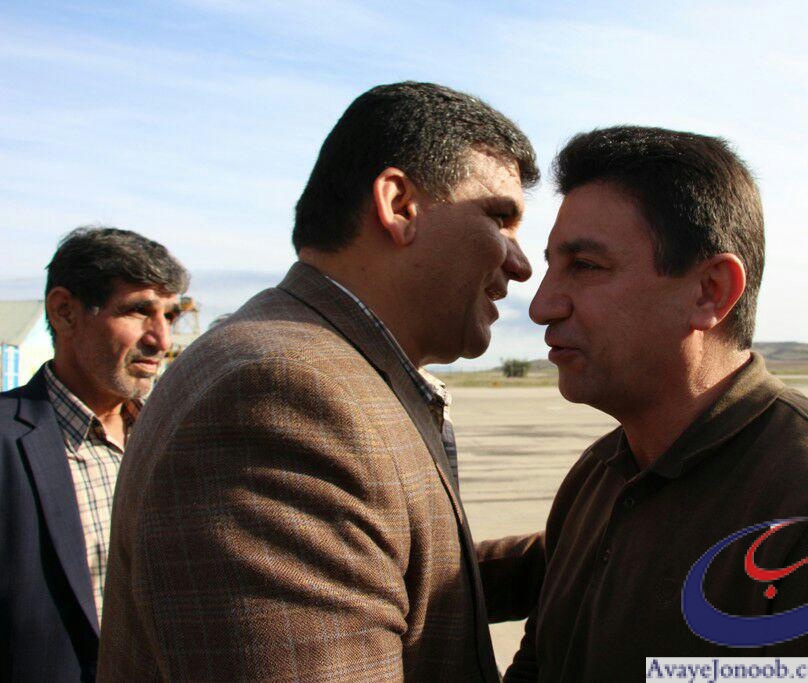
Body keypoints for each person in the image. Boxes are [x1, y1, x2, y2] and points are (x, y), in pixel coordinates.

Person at [98, 82, 545, 682]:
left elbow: (387, 579)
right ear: (400, 205)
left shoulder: (324, 364)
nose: (521, 265)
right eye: (499, 219)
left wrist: (604, 545)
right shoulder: (283, 394)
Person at [506, 126, 808, 682]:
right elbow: (541, 662)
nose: (542, 306)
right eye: (552, 267)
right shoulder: (600, 475)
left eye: (584, 266)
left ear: (711, 291)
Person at [0, 226, 187, 682]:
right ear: (65, 312)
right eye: (139, 311)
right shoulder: (7, 442)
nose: (161, 340)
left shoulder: (175, 438)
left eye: (170, 315)